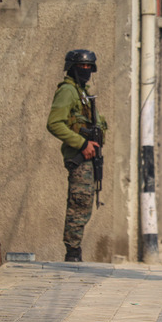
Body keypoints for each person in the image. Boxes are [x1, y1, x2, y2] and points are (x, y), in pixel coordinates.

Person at [47, 49, 107, 262]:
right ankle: (72, 252)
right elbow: (54, 123)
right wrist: (81, 143)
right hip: (80, 156)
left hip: (91, 157)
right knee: (79, 203)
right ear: (71, 67)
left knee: (85, 203)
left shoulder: (82, 92)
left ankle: (74, 251)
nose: (86, 70)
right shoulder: (68, 91)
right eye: (81, 66)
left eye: (89, 66)